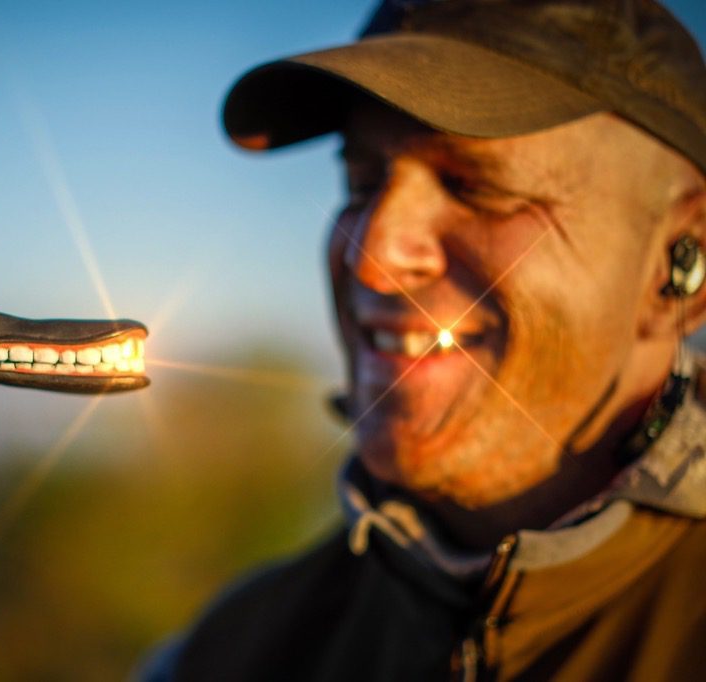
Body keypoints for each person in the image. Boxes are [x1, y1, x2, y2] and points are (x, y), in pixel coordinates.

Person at [142, 0, 706, 680]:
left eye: (474, 186)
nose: (371, 253)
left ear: (682, 265)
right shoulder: (237, 649)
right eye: (361, 181)